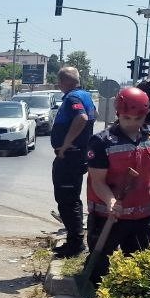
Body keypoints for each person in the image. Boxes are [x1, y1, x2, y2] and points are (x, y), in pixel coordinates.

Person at [84, 87, 150, 284]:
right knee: (100, 266)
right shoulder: (102, 141)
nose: (132, 123)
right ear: (118, 114)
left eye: (138, 119)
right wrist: (111, 201)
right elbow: (98, 181)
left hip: (142, 218)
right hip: (108, 217)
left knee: (137, 269)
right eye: (127, 118)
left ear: (145, 115)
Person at [50, 66, 97, 258]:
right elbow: (93, 116)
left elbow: (82, 117)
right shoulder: (86, 96)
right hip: (77, 156)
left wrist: (66, 144)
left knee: (67, 201)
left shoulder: (72, 98)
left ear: (63, 83)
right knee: (71, 199)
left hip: (70, 157)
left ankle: (76, 244)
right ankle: (74, 240)